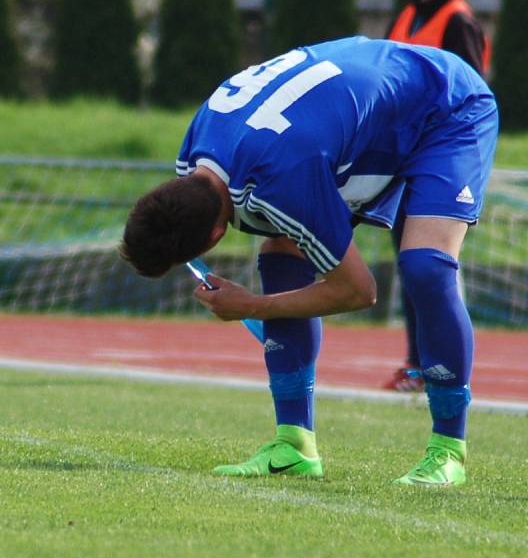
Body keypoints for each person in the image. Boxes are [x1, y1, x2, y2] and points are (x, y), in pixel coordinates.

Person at [120, 36, 498, 488]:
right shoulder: (194, 154)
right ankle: (294, 444)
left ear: (215, 236)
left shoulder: (280, 180)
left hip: (446, 104)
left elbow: (359, 291)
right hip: (365, 114)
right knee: (281, 252)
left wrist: (251, 307)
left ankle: (448, 450)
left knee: (425, 265)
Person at [384, 0, 490, 392]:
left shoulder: (457, 20)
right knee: (409, 263)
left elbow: (470, 92)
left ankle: (442, 365)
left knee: (433, 262)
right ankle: (416, 364)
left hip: (440, 160)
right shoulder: (404, 18)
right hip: (401, 158)